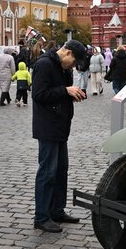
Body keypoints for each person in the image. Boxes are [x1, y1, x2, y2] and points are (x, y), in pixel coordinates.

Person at [31, 39, 87, 233]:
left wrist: (71, 94)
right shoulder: (44, 64)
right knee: (47, 172)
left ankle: (56, 210)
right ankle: (41, 217)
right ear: (68, 53)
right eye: (74, 62)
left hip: (61, 125)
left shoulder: (63, 67)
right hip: (47, 126)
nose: (73, 66)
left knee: (61, 170)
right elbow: (38, 94)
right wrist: (65, 90)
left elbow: (59, 93)